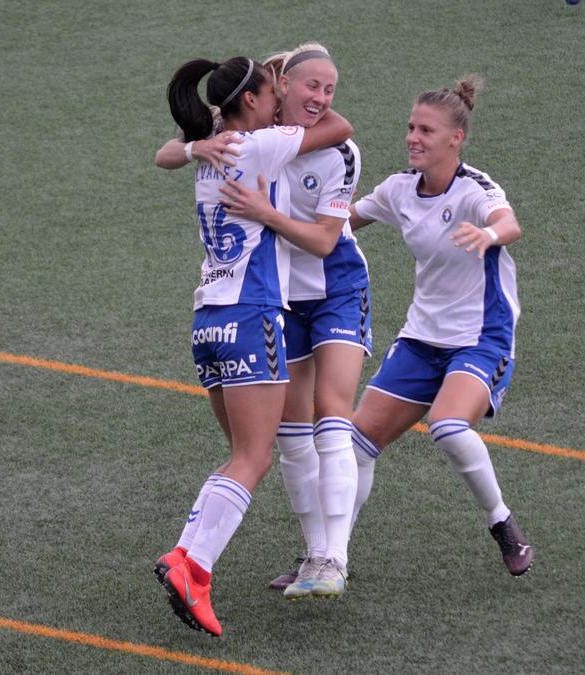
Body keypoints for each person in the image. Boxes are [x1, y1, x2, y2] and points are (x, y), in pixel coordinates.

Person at [160, 43, 369, 601]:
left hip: (207, 321)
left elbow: (163, 155)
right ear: (257, 99)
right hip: (256, 315)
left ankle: (186, 555)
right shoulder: (264, 145)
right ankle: (195, 566)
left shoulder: (216, 146)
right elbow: (339, 126)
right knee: (255, 456)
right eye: (291, 88)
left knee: (247, 454)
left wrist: (193, 145)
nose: (318, 99)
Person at [346, 75, 534, 577]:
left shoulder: (475, 189)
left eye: (426, 130)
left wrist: (489, 233)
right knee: (355, 443)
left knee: (449, 427)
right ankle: (330, 556)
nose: (413, 137)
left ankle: (503, 526)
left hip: (480, 338)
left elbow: (509, 223)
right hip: (419, 338)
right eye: (411, 126)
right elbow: (340, 222)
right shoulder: (399, 190)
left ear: (456, 138)